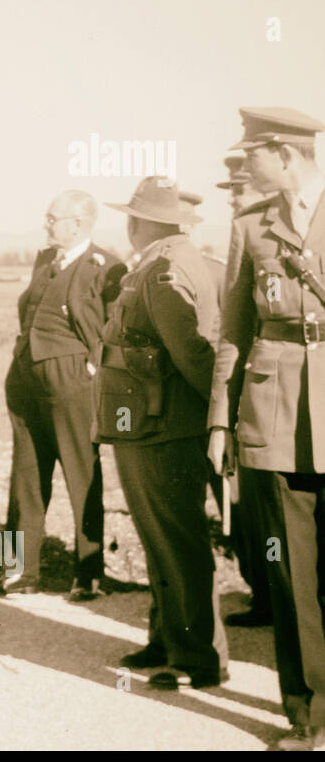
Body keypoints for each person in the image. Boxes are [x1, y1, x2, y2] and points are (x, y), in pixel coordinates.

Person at [209, 106, 325, 749]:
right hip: (273, 417)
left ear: (284, 153)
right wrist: (219, 422)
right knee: (289, 573)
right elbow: (234, 327)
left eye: (252, 153)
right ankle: (309, 718)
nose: (243, 164)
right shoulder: (251, 227)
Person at [97, 178, 228, 689]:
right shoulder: (158, 265)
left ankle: (197, 658)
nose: (127, 225)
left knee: (177, 543)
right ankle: (169, 639)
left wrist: (219, 416)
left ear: (143, 222)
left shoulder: (163, 271)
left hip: (164, 427)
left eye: (132, 216)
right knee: (162, 542)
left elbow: (195, 354)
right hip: (152, 424)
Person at [0, 190, 124, 599]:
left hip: (72, 385)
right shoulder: (44, 259)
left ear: (78, 224)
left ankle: (88, 575)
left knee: (82, 476)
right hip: (27, 381)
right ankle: (20, 572)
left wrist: (91, 371)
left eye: (53, 219)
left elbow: (114, 328)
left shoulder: (107, 266)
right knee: (26, 477)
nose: (46, 225)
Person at [211, 152, 274, 628]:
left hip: (273, 392)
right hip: (246, 395)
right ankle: (266, 595)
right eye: (231, 191)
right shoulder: (232, 247)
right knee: (248, 510)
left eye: (241, 190)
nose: (234, 199)